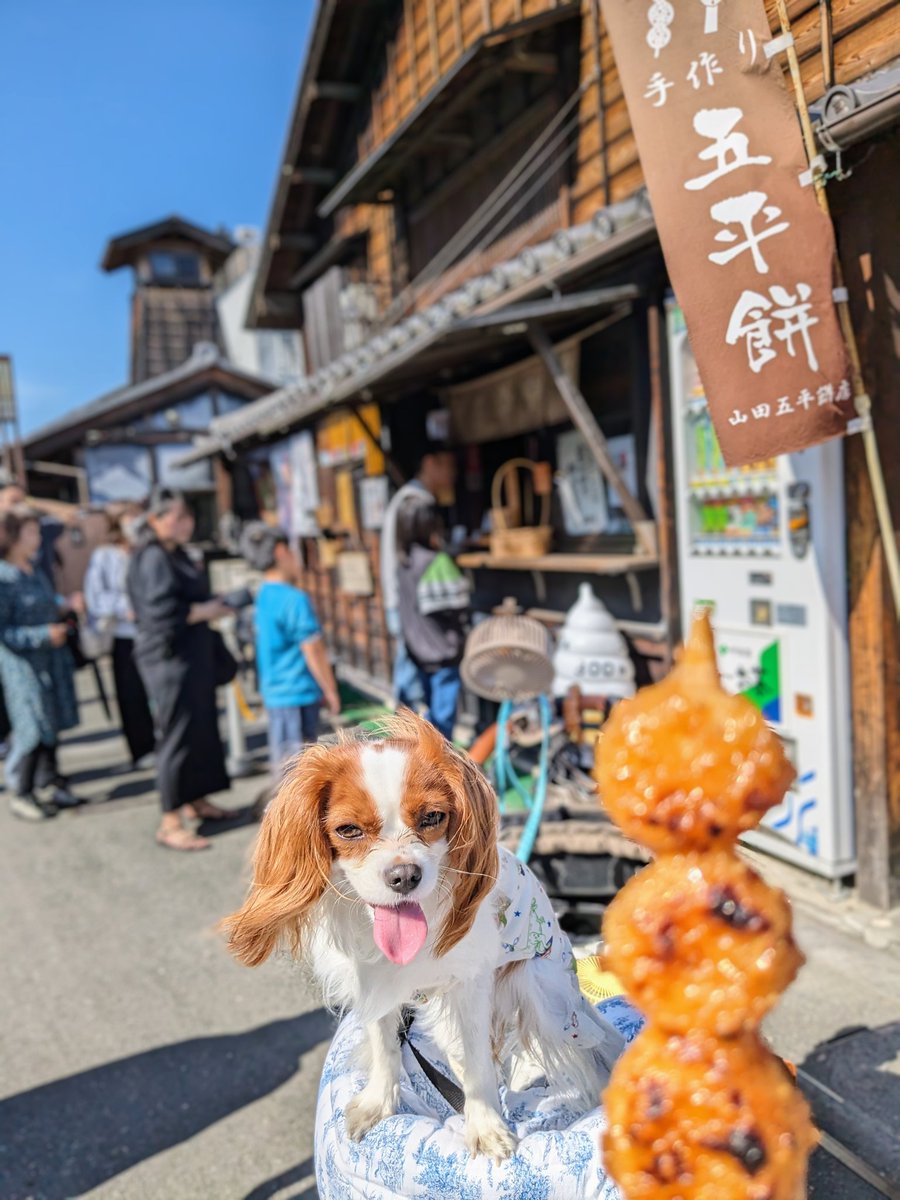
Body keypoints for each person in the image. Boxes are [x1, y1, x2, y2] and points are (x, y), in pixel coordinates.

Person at [127, 489, 233, 851]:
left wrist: (209, 607)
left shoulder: (177, 554)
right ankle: (170, 820)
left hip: (192, 655)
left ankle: (197, 798)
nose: (185, 522)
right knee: (177, 733)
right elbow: (160, 614)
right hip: (169, 658)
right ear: (155, 519)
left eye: (186, 515)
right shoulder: (152, 556)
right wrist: (207, 611)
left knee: (201, 728)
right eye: (176, 516)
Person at [240, 522, 340, 788]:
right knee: (301, 775)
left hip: (276, 693)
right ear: (281, 551)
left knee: (287, 769)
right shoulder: (294, 598)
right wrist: (330, 689)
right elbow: (313, 648)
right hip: (296, 693)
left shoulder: (263, 594)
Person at [0, 506, 82, 820]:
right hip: (23, 665)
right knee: (31, 726)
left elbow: (48, 602)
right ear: (12, 536)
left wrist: (64, 607)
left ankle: (50, 784)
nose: (36, 538)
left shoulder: (34, 569)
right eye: (30, 532)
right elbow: (5, 631)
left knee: (51, 723)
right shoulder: (4, 576)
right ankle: (21, 792)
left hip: (51, 659)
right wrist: (42, 634)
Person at [380, 447, 457, 710]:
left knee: (412, 675)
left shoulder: (407, 499)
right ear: (429, 462)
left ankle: (409, 735)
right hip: (406, 603)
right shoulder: (414, 501)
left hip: (403, 600)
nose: (452, 473)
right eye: (447, 465)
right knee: (410, 680)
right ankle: (411, 739)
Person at [84, 505, 155, 769]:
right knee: (130, 694)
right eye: (128, 519)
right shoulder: (104, 555)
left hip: (152, 631)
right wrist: (123, 607)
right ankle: (141, 748)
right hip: (123, 633)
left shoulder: (148, 550)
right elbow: (95, 595)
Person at [395, 496, 470, 740]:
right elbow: (458, 605)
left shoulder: (404, 562)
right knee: (443, 724)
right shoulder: (436, 562)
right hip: (442, 652)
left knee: (428, 718)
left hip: (418, 650)